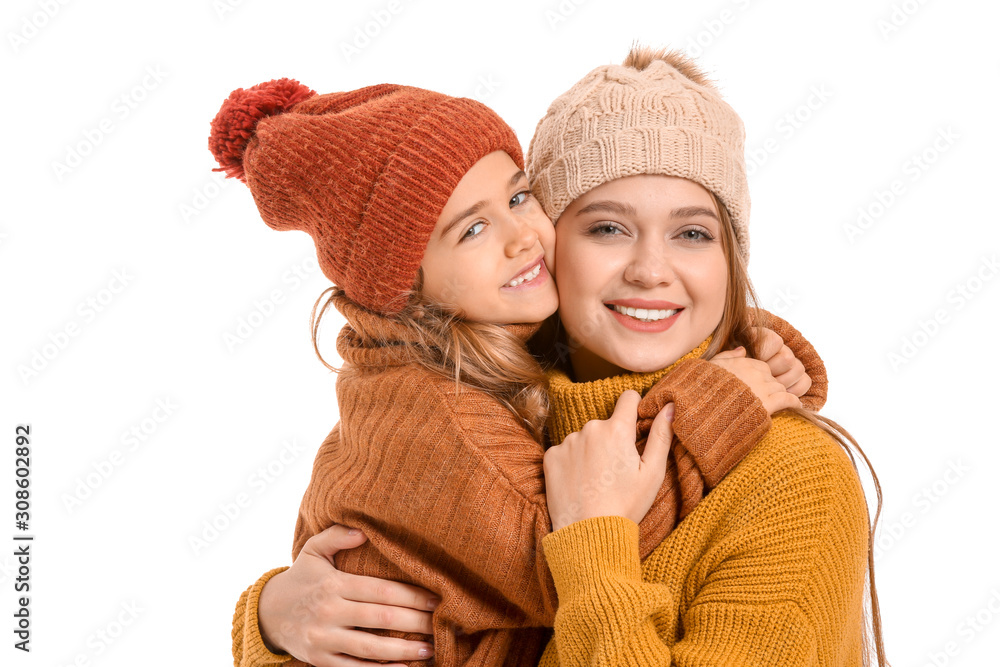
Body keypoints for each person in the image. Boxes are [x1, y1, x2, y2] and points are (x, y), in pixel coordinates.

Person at [209, 75, 827, 667]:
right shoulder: (441, 408)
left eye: (519, 197)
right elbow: (573, 543)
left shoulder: (485, 361)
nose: (520, 239)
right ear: (406, 288)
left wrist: (755, 342)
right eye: (607, 228)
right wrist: (267, 620)